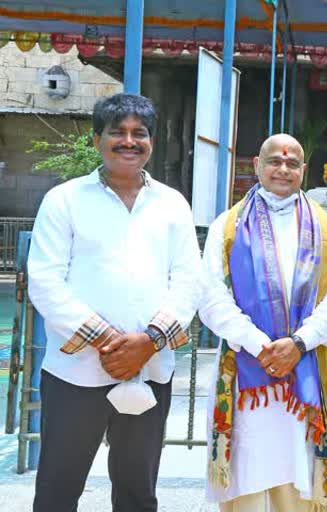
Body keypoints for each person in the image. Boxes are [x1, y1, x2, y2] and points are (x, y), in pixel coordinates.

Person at [27, 93, 202, 511]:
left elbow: (189, 280)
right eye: (117, 133)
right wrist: (110, 343)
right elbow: (45, 281)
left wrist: (149, 341)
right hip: (77, 372)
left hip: (151, 366)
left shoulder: (172, 204)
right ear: (96, 140)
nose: (129, 141)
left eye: (138, 133)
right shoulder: (64, 200)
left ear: (151, 142)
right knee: (57, 489)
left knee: (138, 492)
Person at [199, 133, 327, 511]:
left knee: (299, 485)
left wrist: (298, 344)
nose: (283, 169)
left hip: (307, 374)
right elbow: (210, 297)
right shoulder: (228, 226)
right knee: (247, 480)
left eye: (292, 163)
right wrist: (260, 346)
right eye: (274, 161)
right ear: (256, 165)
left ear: (304, 169)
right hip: (246, 372)